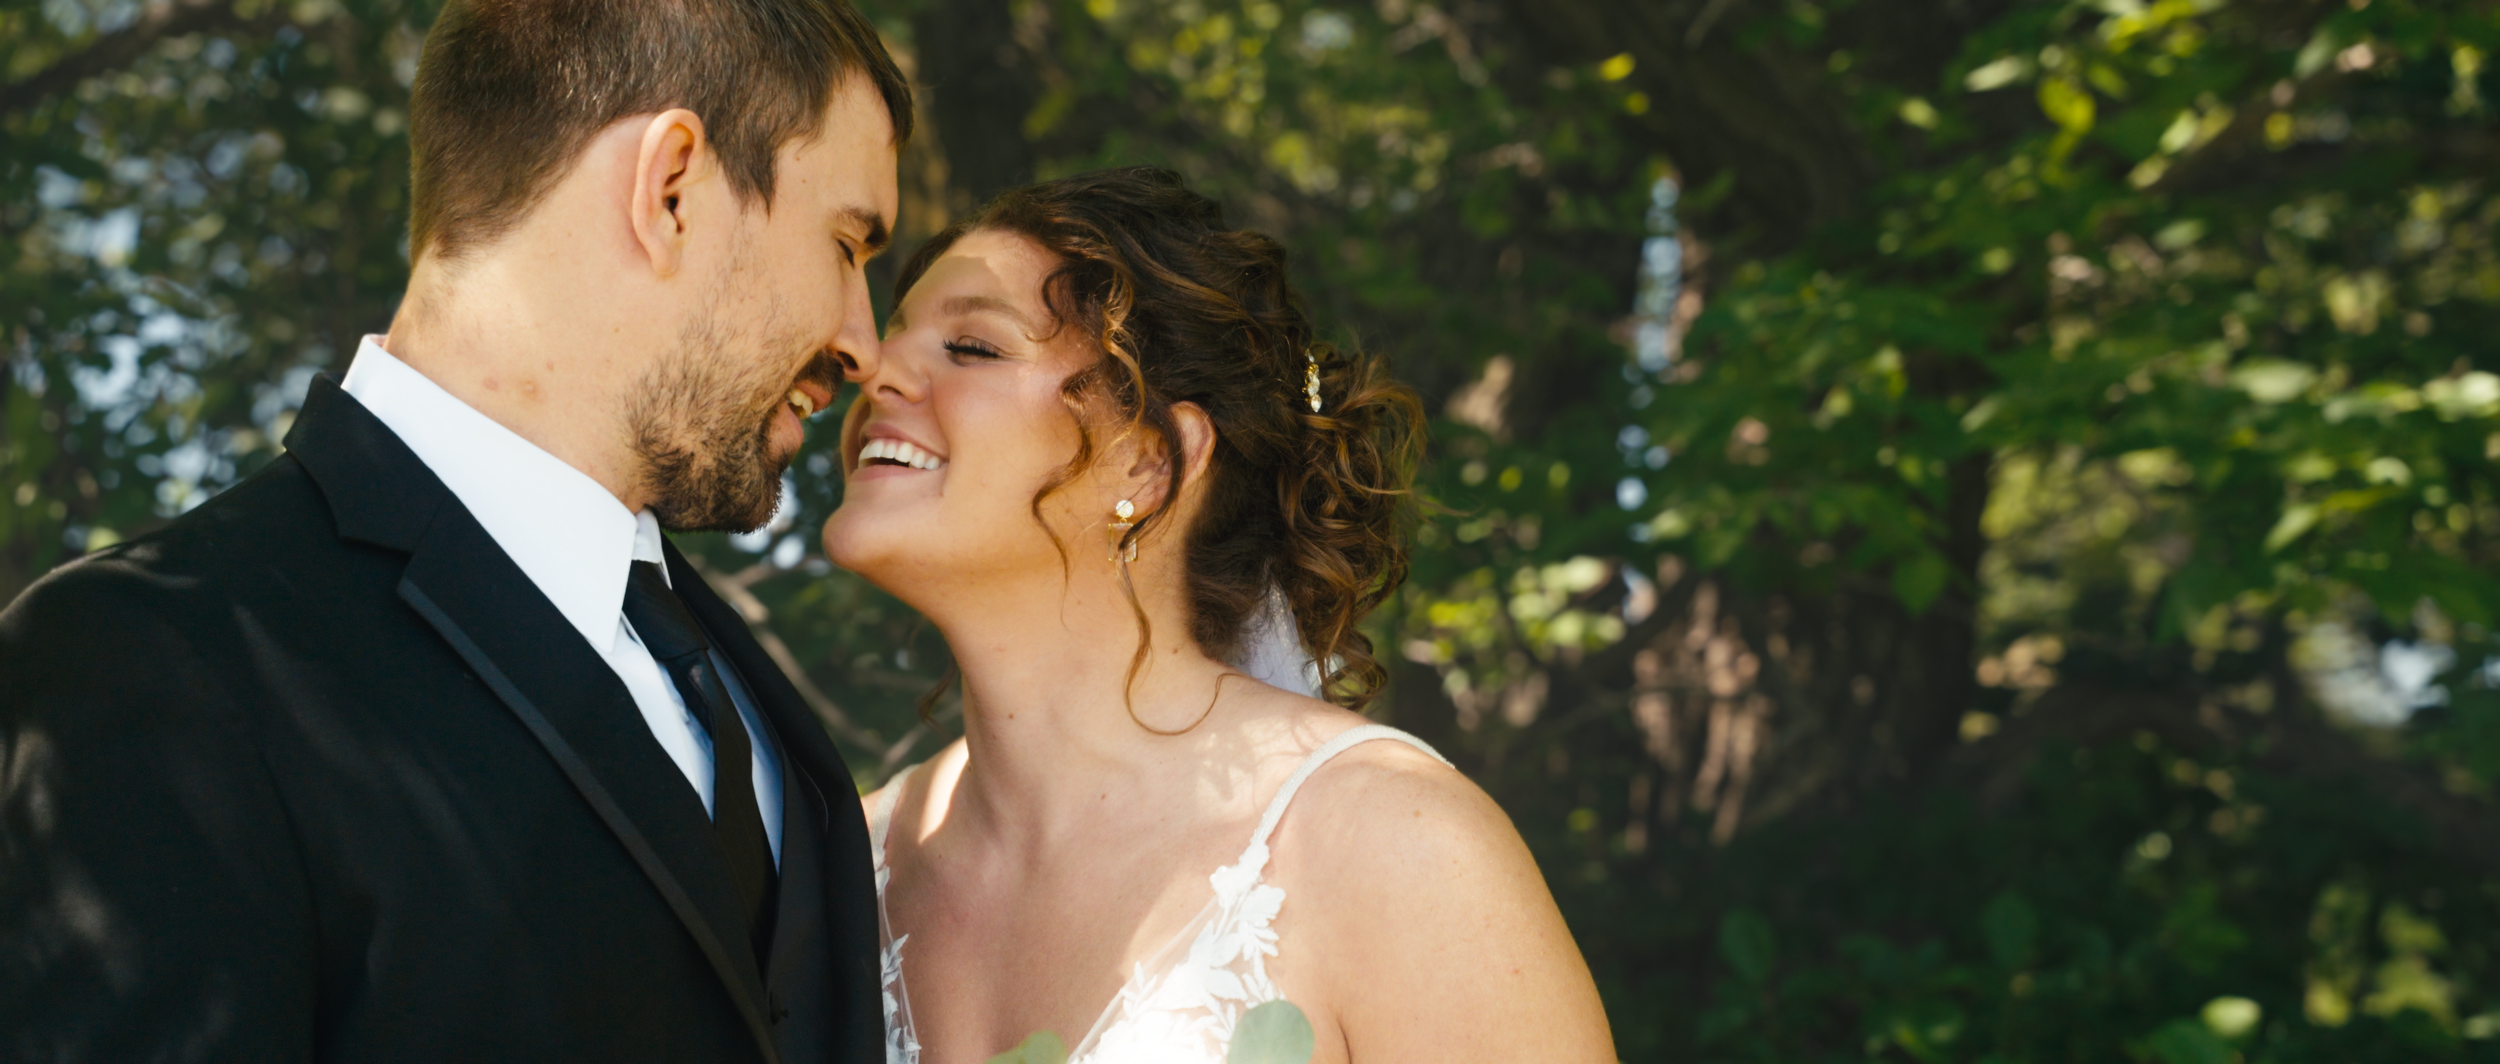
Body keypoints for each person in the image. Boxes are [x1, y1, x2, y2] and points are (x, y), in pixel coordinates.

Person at [0, 2, 907, 1060]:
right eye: (845, 244)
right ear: (671, 188)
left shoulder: (755, 709)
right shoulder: (158, 658)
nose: (864, 344)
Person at [833, 167, 1616, 1064]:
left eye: (973, 346)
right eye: (894, 337)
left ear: (1148, 465)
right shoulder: (840, 869)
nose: (872, 368)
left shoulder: (1392, 845)